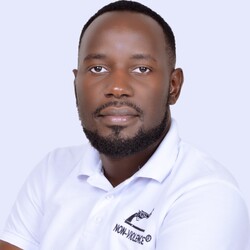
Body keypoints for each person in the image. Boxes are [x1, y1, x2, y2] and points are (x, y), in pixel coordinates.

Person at [0, 1, 249, 249]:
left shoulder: (208, 194)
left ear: (173, 86)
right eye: (98, 68)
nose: (117, 88)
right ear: (76, 86)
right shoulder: (52, 170)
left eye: (141, 69)